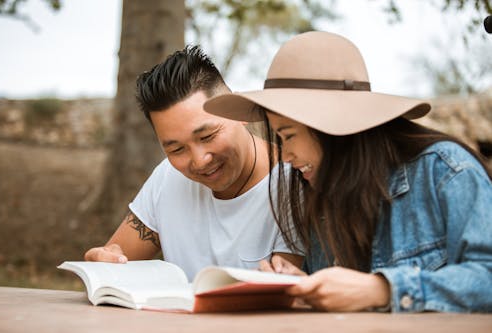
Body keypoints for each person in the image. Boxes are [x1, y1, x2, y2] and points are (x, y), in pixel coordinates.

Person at [204, 31, 492, 312]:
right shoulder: (319, 195)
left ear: (334, 127)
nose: (286, 156)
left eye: (288, 136)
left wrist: (382, 290)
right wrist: (309, 290)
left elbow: (486, 277)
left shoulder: (445, 172)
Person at [84, 46, 303, 281]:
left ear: (238, 110)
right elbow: (111, 267)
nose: (199, 161)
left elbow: (280, 296)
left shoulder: (293, 183)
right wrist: (101, 264)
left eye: (207, 136)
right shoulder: (167, 176)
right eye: (177, 149)